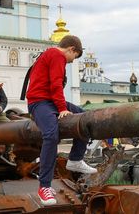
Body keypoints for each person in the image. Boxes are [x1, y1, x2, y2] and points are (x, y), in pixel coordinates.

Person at [25, 35, 96, 206]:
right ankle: (44, 187)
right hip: (39, 102)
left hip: (49, 101)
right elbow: (55, 84)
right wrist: (62, 108)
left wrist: (61, 106)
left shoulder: (49, 54)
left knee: (84, 117)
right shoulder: (57, 56)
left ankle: (75, 159)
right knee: (51, 135)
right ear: (71, 49)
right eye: (75, 57)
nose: (72, 62)